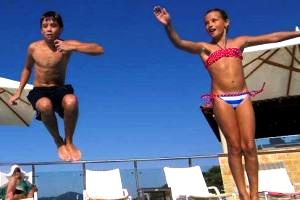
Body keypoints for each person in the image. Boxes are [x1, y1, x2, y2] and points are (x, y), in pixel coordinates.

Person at [153, 6, 300, 200]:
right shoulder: (205, 48)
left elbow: (272, 37)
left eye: (214, 20)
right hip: (221, 98)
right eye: (206, 23)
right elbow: (179, 43)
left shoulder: (240, 42)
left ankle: (254, 195)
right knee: (234, 147)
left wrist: (295, 34)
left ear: (226, 22)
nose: (209, 25)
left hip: (243, 96)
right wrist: (168, 25)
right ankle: (242, 194)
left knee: (249, 145)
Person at [9, 11, 104, 161]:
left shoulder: (67, 44)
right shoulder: (33, 47)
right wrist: (18, 92)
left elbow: (99, 49)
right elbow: (27, 68)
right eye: (45, 26)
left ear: (60, 29)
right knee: (45, 105)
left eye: (53, 25)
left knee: (71, 100)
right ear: (41, 30)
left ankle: (69, 141)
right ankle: (58, 141)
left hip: (59, 88)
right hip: (39, 90)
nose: (49, 29)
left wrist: (73, 48)